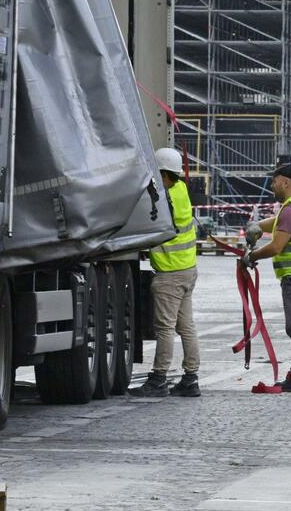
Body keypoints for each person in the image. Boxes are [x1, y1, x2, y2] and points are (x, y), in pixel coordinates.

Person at [243, 164, 291, 393]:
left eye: (275, 181)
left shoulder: (290, 209)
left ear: (286, 182)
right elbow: (278, 221)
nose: (272, 185)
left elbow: (277, 246)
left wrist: (252, 257)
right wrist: (258, 226)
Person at [130, 148, 200, 398]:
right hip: (187, 269)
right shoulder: (181, 191)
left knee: (165, 328)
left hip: (170, 272)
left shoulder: (165, 197)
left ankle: (159, 378)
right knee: (186, 327)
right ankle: (191, 378)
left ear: (164, 174)